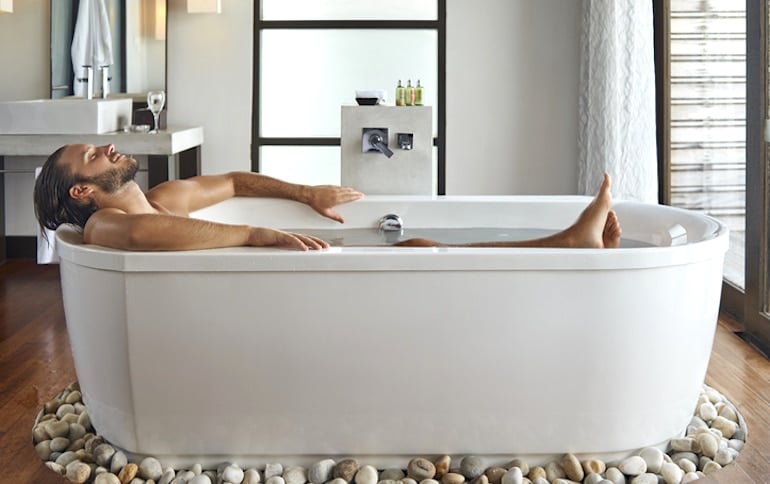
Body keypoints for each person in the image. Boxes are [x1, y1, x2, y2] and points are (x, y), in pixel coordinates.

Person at [33, 143, 621, 251]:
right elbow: (137, 237)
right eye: (93, 155)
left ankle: (569, 240)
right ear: (83, 191)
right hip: (254, 316)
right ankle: (569, 241)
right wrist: (257, 233)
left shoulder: (164, 199)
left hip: (270, 281)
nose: (109, 147)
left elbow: (237, 183)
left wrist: (306, 192)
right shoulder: (101, 230)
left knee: (417, 244)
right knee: (416, 248)